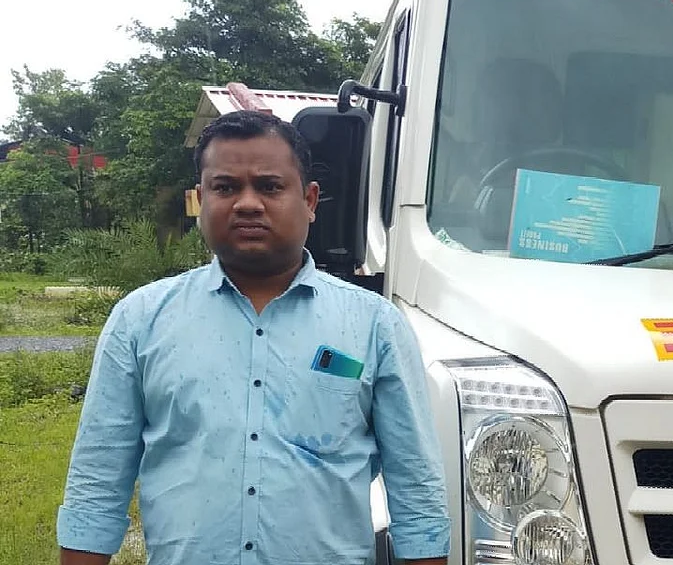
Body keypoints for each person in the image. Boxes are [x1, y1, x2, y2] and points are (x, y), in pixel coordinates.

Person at [56, 110, 451, 565]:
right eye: (225, 188)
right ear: (200, 199)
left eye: (269, 186)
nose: (247, 203)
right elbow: (96, 484)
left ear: (310, 200)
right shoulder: (140, 320)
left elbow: (416, 492)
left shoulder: (374, 326)